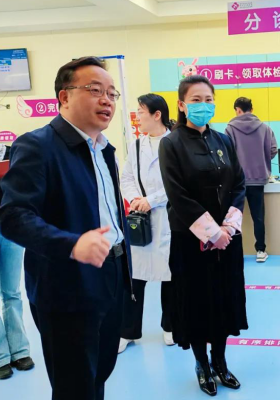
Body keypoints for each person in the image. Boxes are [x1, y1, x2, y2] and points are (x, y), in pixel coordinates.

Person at [0, 56, 133, 400]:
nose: (107, 100)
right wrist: (71, 244)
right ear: (64, 96)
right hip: (67, 287)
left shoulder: (104, 150)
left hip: (113, 274)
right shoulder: (38, 145)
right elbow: (13, 215)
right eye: (95, 90)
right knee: (74, 386)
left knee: (100, 374)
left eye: (112, 93)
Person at [159, 75, 247, 397]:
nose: (203, 105)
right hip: (191, 241)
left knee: (224, 300)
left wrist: (228, 229)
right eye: (195, 100)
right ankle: (202, 365)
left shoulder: (224, 140)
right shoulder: (171, 144)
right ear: (182, 105)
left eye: (208, 99)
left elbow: (239, 184)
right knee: (197, 302)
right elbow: (177, 194)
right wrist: (212, 232)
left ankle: (220, 362)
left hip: (227, 239)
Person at [118, 94, 174, 353]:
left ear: (157, 114)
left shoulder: (175, 143)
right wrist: (135, 199)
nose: (137, 116)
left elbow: (179, 184)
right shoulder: (137, 145)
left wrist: (152, 200)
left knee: (170, 276)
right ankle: (128, 332)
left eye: (141, 111)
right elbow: (126, 178)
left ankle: (170, 326)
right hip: (140, 218)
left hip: (168, 217)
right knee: (134, 277)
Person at [225, 96, 277, 263]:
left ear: (237, 110)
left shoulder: (230, 129)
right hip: (258, 179)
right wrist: (262, 160)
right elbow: (273, 150)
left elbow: (226, 153)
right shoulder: (265, 128)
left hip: (237, 181)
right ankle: (261, 250)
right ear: (252, 110)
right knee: (258, 217)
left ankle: (233, 251)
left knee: (233, 217)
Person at [0, 143, 34, 380]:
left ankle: (19, 350)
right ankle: (1, 355)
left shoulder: (12, 152)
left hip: (9, 229)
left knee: (12, 292)